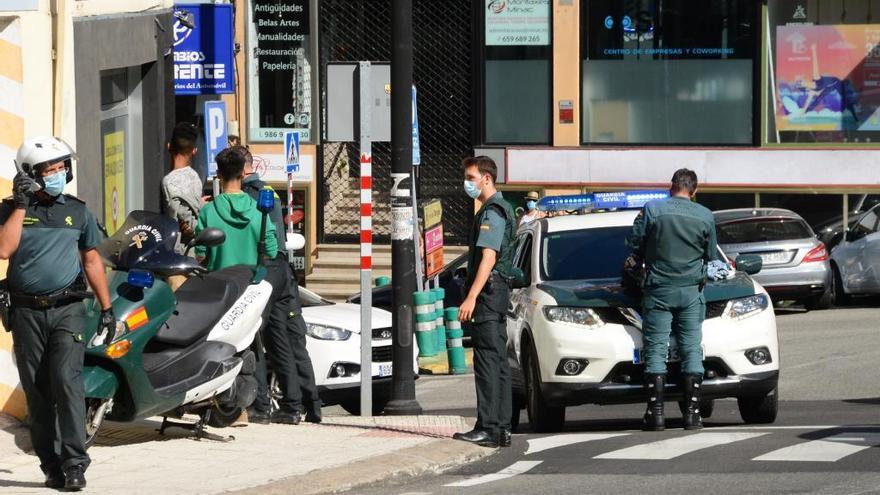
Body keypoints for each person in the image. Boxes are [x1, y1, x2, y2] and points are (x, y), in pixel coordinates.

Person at [1, 137, 115, 490]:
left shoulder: (78, 211)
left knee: (68, 383)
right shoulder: (9, 211)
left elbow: (92, 260)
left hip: (67, 309)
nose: (58, 174)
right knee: (37, 391)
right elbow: (5, 249)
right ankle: (50, 465)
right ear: (30, 175)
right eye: (49, 169)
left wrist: (108, 309)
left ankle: (75, 464)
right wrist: (20, 205)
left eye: (61, 167)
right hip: (26, 313)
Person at [625, 168, 717, 432]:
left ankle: (656, 415)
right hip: (690, 292)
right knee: (691, 349)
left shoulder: (653, 210)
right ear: (694, 190)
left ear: (671, 186)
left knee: (655, 351)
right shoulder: (705, 215)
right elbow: (710, 255)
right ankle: (692, 415)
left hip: (658, 290)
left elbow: (634, 244)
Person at [236, 146, 322, 424]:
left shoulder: (246, 195)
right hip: (285, 272)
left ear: (240, 170)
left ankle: (262, 407)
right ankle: (307, 405)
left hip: (267, 270)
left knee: (259, 339)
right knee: (291, 341)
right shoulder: (269, 191)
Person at [195, 147, 278, 425]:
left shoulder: (208, 212)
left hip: (216, 292)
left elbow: (201, 255)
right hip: (249, 290)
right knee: (251, 346)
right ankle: (251, 407)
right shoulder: (258, 212)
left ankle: (217, 404)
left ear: (218, 174)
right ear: (244, 172)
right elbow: (272, 247)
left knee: (214, 347)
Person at [453, 156, 515, 448]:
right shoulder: (498, 208)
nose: (467, 182)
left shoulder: (492, 211)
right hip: (496, 294)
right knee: (498, 362)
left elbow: (488, 256)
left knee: (488, 362)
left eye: (471, 177)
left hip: (489, 295)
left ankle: (489, 427)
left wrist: (472, 296)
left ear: (486, 178)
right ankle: (500, 427)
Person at [162, 122, 205, 254]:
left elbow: (183, 216)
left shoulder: (168, 181)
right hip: (193, 250)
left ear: (169, 147)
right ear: (194, 151)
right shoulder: (195, 177)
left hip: (177, 252)